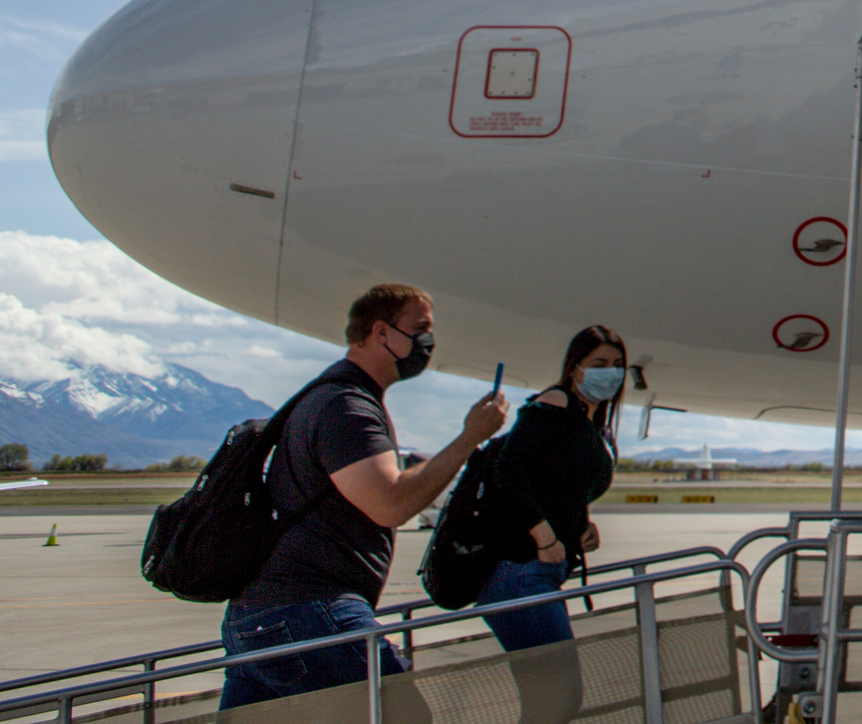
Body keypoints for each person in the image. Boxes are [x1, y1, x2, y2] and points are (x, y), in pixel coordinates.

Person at [220, 282, 509, 710]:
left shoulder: (329, 395)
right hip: (307, 613)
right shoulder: (347, 407)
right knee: (402, 715)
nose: (428, 343)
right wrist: (469, 438)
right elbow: (390, 502)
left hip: (258, 616)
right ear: (380, 332)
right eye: (421, 328)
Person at [475, 325, 626, 654]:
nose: (610, 374)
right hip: (522, 570)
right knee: (559, 689)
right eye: (599, 365)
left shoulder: (589, 425)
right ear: (575, 368)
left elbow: (558, 488)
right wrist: (545, 537)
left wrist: (581, 526)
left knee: (551, 692)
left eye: (617, 366)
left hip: (540, 573)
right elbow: (509, 470)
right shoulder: (556, 403)